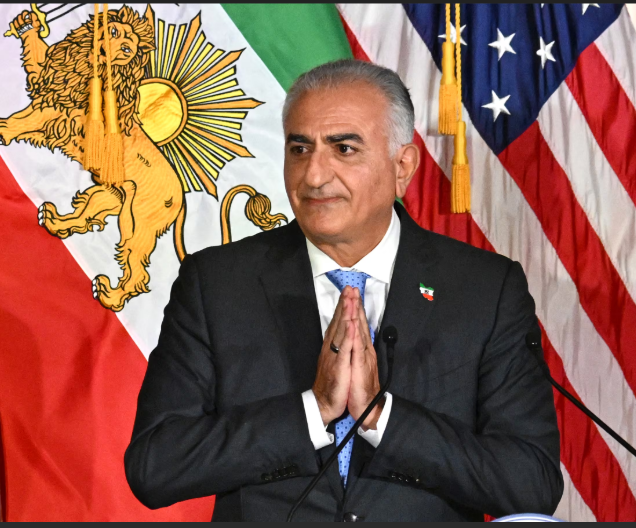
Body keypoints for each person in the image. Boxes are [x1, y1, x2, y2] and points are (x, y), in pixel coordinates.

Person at [124, 59, 563, 522]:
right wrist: (311, 412)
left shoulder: (483, 290)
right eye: (299, 149)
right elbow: (155, 466)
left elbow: (531, 485)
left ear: (402, 166)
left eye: (344, 149)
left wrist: (381, 417)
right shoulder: (217, 284)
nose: (314, 176)